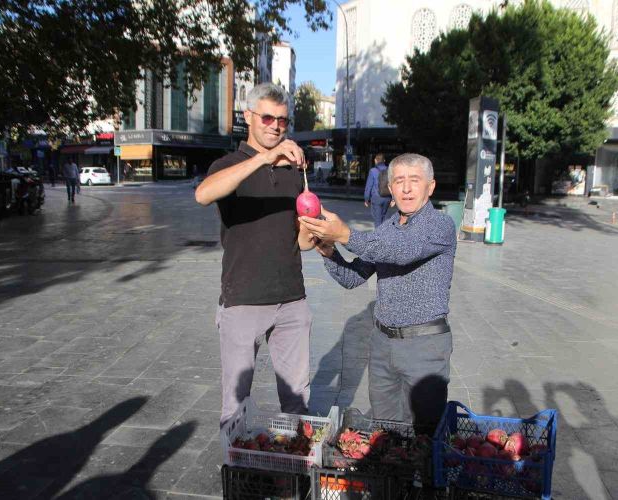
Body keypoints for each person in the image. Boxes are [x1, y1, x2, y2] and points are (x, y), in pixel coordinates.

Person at [300, 153, 457, 429]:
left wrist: (346, 235)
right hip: (383, 345)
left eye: (414, 180)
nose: (406, 188)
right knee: (385, 430)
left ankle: (425, 473)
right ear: (390, 188)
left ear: (430, 187)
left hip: (424, 347)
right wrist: (328, 252)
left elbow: (403, 252)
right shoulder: (387, 228)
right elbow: (353, 277)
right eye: (399, 181)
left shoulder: (440, 225)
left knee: (424, 432)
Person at [194, 83, 317, 427]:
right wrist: (263, 159)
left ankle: (293, 471)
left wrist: (316, 228)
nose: (275, 126)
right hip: (243, 298)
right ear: (248, 117)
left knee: (297, 403)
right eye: (267, 117)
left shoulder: (294, 171)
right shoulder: (227, 163)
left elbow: (301, 241)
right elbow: (203, 195)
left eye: (282, 121)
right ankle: (237, 474)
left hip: (292, 299)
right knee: (235, 407)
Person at [363, 153, 392, 227]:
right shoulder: (390, 171)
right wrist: (394, 199)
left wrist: (366, 199)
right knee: (384, 215)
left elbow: (369, 186)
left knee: (377, 219)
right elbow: (393, 184)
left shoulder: (372, 171)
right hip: (387, 197)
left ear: (375, 160)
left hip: (377, 198)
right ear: (384, 160)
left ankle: (378, 236)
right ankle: (385, 234)